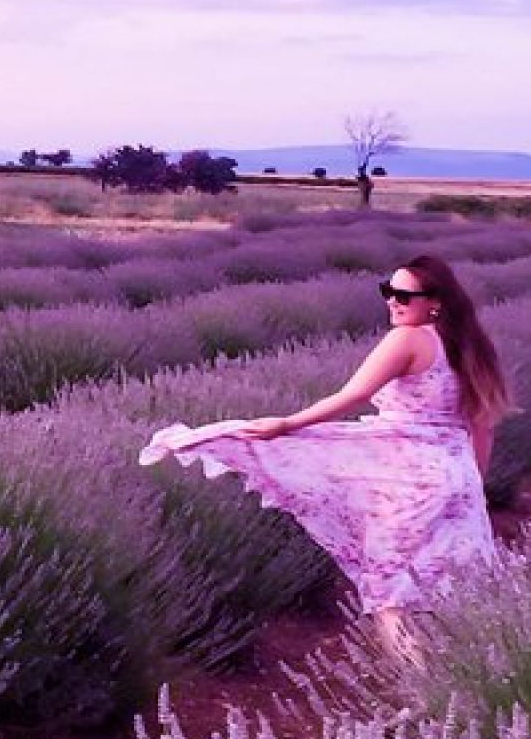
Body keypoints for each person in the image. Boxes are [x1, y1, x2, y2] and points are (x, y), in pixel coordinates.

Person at [139, 255, 510, 664]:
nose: (392, 302)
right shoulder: (469, 344)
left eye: (404, 295)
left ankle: (430, 696)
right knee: (450, 592)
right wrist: (474, 489)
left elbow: (353, 395)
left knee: (389, 597)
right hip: (456, 479)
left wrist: (287, 424)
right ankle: (472, 687)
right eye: (388, 291)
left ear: (434, 302)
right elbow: (483, 427)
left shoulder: (408, 340)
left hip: (408, 485)